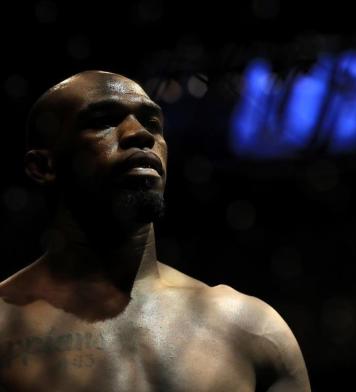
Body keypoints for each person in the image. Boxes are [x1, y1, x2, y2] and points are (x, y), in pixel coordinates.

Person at [0, 70, 311, 391]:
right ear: (43, 166)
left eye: (152, 123)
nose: (140, 134)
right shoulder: (5, 326)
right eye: (104, 120)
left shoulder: (249, 328)